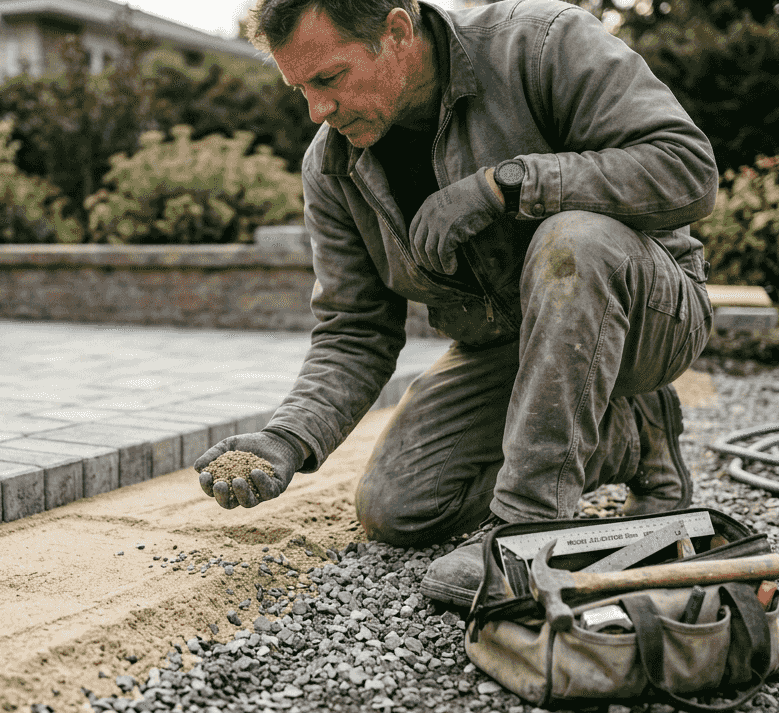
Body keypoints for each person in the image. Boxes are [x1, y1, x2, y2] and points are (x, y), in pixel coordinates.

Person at [194, 0, 715, 612]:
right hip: (508, 346)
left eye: (329, 78)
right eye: (300, 87)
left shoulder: (542, 43)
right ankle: (632, 435)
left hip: (647, 317)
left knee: (573, 239)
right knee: (398, 507)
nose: (317, 110)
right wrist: (287, 437)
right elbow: (356, 331)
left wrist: (505, 187)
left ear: (397, 30)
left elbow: (687, 169)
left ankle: (528, 532)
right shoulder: (332, 166)